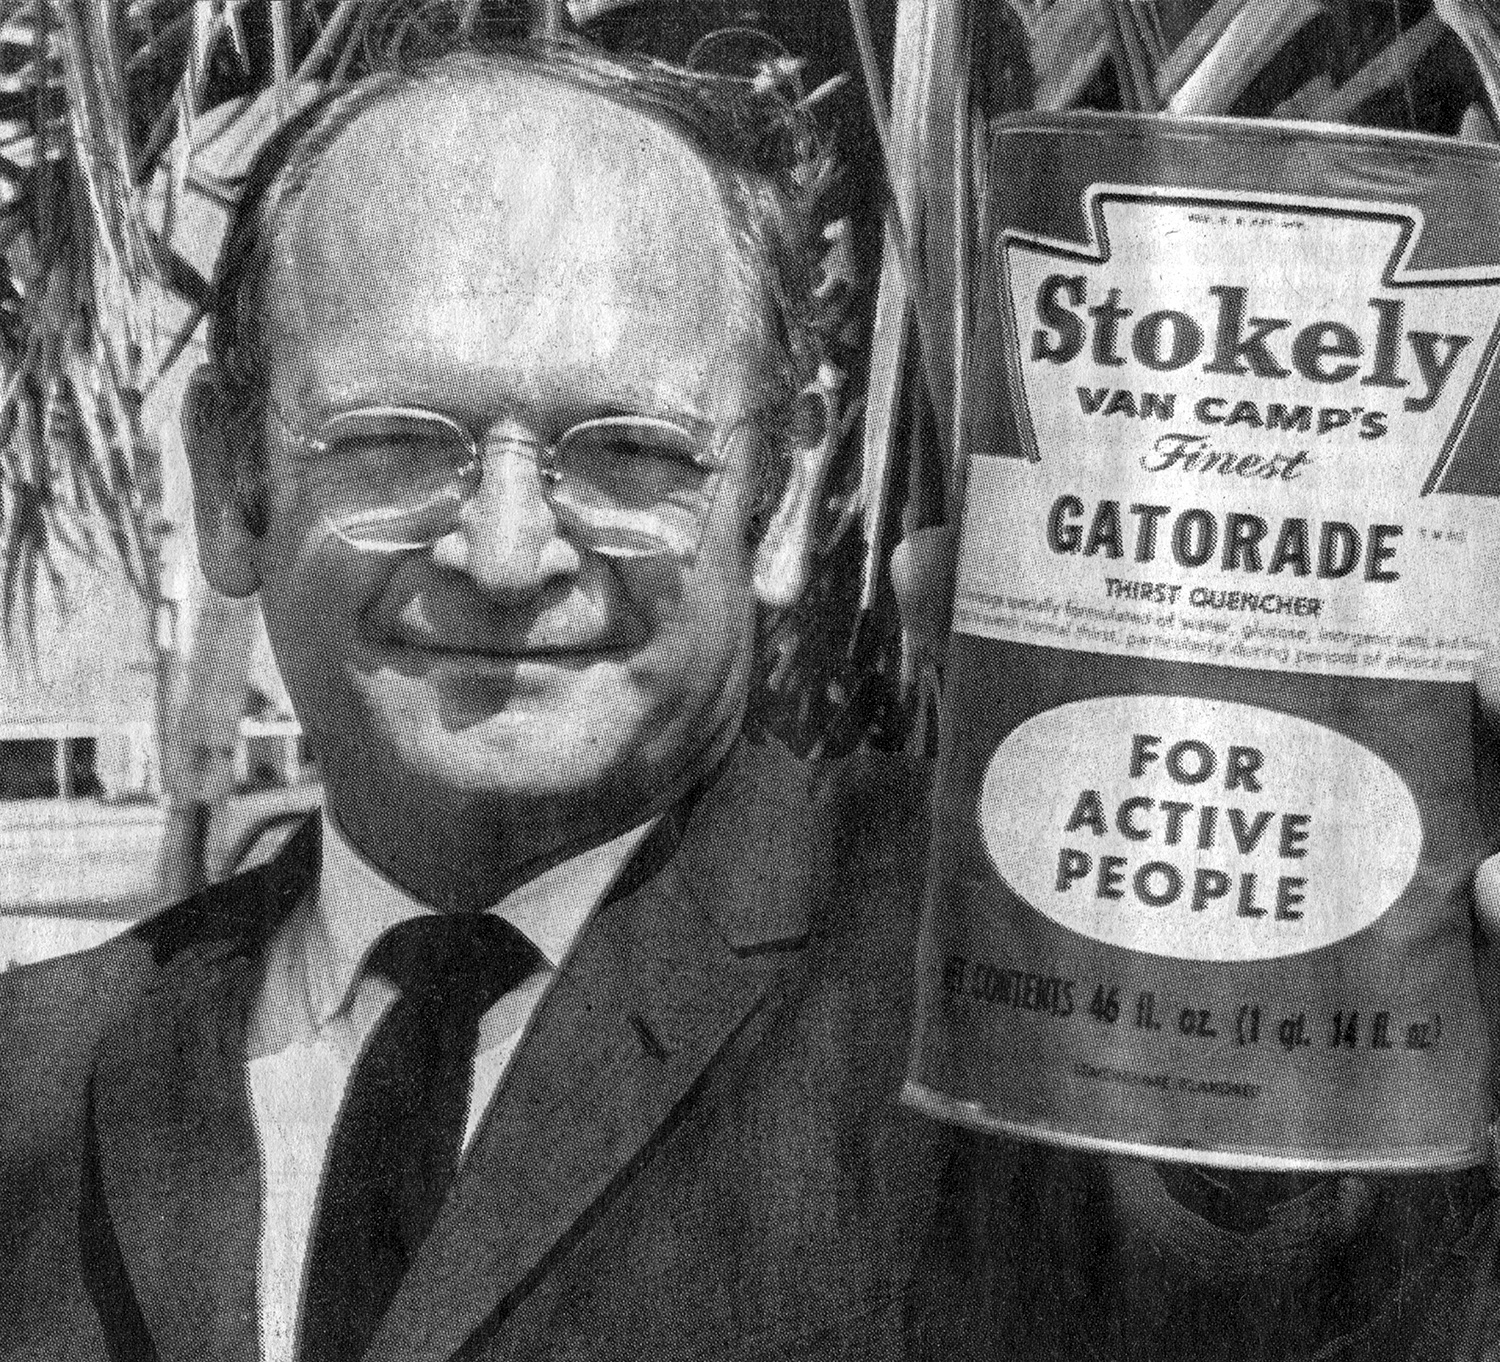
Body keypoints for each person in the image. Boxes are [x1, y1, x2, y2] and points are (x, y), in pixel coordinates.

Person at [0, 34, 1494, 1362]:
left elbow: (1271, 1282)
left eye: (629, 453)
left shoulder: (1010, 984)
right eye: (395, 441)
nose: (508, 555)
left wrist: (1321, 1072)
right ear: (231, 485)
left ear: (779, 499)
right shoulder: (32, 1074)